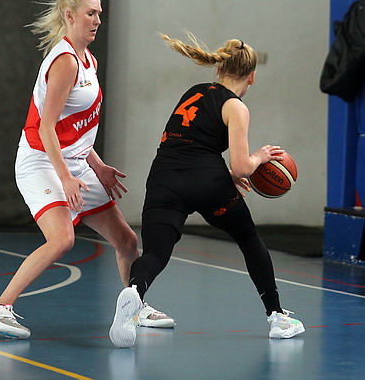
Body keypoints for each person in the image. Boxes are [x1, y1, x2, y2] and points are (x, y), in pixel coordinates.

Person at [0, 0, 174, 339]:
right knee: (62, 239)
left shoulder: (88, 60)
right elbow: (47, 127)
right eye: (90, 13)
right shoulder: (65, 62)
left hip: (75, 163)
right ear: (69, 15)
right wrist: (65, 177)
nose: (98, 20)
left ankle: (136, 306)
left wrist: (98, 166)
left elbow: (77, 129)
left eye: (99, 13)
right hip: (41, 161)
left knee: (127, 241)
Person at [109, 33, 305, 348]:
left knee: (156, 252)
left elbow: (188, 145)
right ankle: (277, 317)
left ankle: (134, 292)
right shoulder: (236, 107)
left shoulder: (194, 91)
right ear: (252, 77)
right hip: (207, 183)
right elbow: (242, 167)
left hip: (163, 178)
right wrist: (259, 157)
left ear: (218, 69)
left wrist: (220, 171)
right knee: (248, 238)